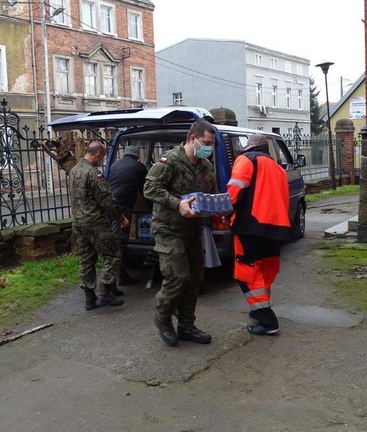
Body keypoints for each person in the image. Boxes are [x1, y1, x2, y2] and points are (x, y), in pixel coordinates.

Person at [143, 118, 218, 347]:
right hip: (169, 229)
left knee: (195, 278)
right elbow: (149, 188)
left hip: (193, 228)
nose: (209, 147)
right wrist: (177, 204)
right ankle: (163, 316)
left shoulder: (205, 165)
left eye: (212, 143)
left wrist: (217, 205)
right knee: (178, 277)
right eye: (206, 142)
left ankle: (186, 325)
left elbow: (209, 191)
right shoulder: (170, 161)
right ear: (193, 139)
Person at [226, 133, 292, 335]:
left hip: (250, 226)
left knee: (247, 273)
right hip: (276, 228)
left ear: (250, 145)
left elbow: (233, 194)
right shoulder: (278, 168)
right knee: (265, 270)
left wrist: (223, 212)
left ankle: (267, 320)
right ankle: (259, 310)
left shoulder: (246, 159)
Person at [68, 141, 129, 311]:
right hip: (95, 222)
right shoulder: (93, 173)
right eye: (101, 158)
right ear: (98, 155)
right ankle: (105, 290)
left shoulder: (74, 170)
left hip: (78, 222)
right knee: (113, 255)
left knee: (87, 259)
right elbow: (106, 200)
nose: (101, 161)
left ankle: (89, 298)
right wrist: (121, 218)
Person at [106, 145, 148, 288]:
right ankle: (120, 276)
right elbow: (145, 190)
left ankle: (118, 274)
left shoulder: (114, 165)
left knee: (115, 239)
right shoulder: (139, 167)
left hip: (109, 205)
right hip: (122, 207)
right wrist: (151, 206)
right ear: (137, 156)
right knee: (121, 241)